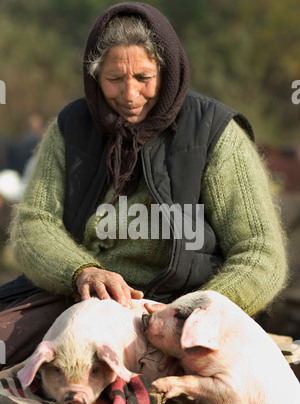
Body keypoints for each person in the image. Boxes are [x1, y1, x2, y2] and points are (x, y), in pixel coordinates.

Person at [0, 2, 287, 367]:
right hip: (82, 304)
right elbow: (34, 223)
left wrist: (195, 311)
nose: (130, 94)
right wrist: (81, 271)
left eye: (144, 78)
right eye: (114, 79)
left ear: (166, 72)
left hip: (184, 310)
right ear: (94, 76)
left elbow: (260, 252)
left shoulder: (216, 134)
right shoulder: (70, 128)